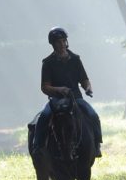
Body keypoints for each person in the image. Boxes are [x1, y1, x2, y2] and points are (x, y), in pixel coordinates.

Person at [32, 27, 102, 157]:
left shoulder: (75, 59)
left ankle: (97, 145)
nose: (62, 44)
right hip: (56, 100)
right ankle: (38, 146)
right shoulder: (48, 63)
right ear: (53, 44)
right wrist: (59, 89)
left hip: (76, 98)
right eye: (58, 42)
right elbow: (45, 87)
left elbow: (84, 79)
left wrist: (88, 87)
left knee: (93, 115)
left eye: (63, 41)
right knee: (44, 117)